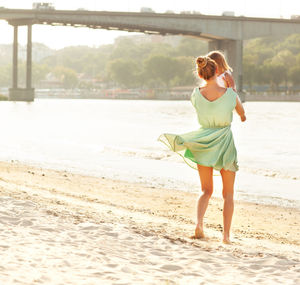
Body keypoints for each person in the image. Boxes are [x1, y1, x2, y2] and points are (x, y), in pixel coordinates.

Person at [158, 56, 246, 244]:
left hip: (203, 142)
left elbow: (203, 106)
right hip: (224, 143)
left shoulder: (195, 94)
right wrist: (234, 92)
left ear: (200, 73)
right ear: (217, 72)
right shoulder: (230, 94)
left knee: (206, 190)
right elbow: (242, 115)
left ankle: (199, 224)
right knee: (228, 194)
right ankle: (226, 236)